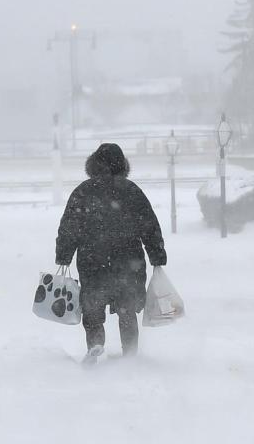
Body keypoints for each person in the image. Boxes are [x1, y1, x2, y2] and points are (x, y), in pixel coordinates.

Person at [55, 142, 167, 363]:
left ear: (94, 163)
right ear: (122, 164)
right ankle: (130, 353)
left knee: (93, 306)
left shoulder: (83, 191)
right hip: (128, 261)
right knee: (127, 309)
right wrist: (157, 255)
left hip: (92, 259)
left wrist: (64, 255)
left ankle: (96, 343)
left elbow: (69, 226)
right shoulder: (131, 191)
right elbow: (150, 226)